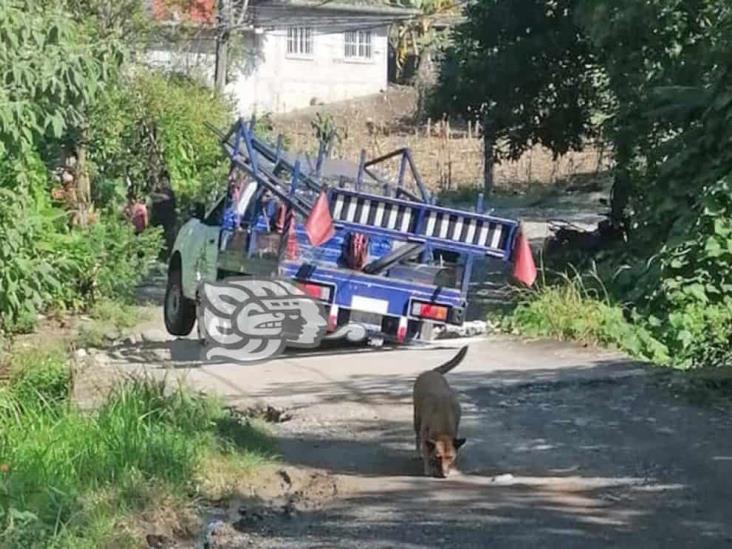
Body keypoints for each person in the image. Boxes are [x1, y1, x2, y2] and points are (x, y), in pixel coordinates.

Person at [149, 171, 177, 259]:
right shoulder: (158, 191)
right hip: (157, 221)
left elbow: (164, 197)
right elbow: (152, 197)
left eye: (165, 180)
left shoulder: (170, 192)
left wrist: (158, 197)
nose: (164, 182)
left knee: (167, 241)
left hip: (168, 223)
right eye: (162, 180)